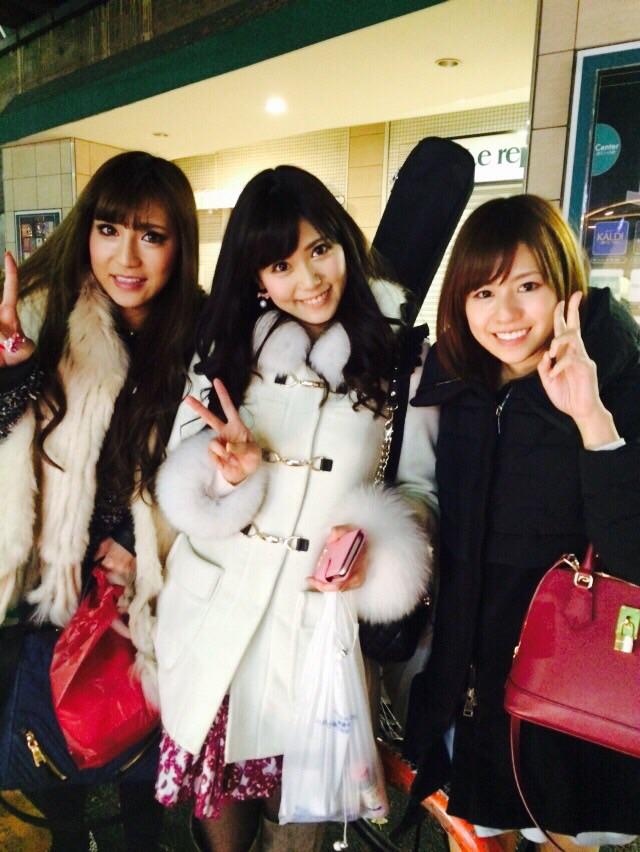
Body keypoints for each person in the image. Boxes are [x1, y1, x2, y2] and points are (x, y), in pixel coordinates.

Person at [153, 164, 438, 852]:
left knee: (299, 829)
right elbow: (182, 486)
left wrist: (376, 546)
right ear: (257, 276)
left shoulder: (402, 358)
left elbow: (422, 492)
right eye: (281, 264)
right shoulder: (223, 349)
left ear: (344, 243)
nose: (308, 279)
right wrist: (229, 476)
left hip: (317, 637)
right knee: (221, 829)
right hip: (219, 626)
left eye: (319, 250)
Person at [404, 195, 640, 852]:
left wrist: (591, 418)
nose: (504, 314)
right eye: (483, 292)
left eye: (527, 287)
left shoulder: (619, 376)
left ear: (565, 286)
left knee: (563, 832)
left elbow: (632, 554)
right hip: (473, 672)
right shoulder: (455, 384)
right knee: (479, 833)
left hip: (574, 677)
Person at [0, 150, 202, 851]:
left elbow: (221, 467)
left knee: (136, 758)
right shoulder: (46, 315)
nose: (127, 257)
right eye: (110, 230)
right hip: (57, 573)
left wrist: (147, 543)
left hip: (150, 581)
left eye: (152, 236)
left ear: (180, 243)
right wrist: (12, 374)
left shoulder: (205, 335)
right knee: (52, 749)